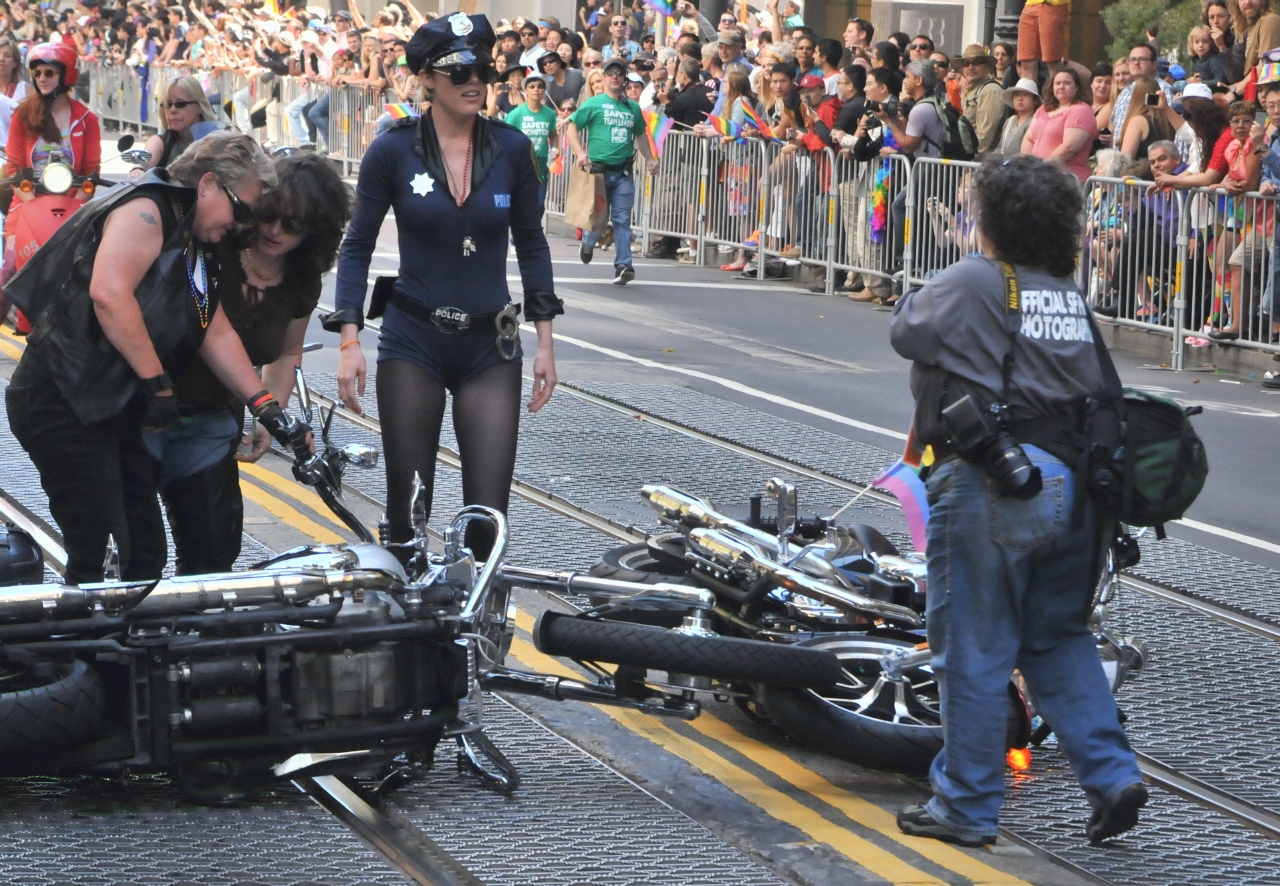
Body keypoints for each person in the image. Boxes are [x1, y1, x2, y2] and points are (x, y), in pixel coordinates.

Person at [890, 153, 1147, 850]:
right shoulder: (1068, 292)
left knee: (974, 648)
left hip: (1000, 484)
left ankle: (965, 807)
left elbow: (905, 326)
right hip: (1083, 490)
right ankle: (1113, 774)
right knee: (1056, 637)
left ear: (993, 220)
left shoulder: (977, 278)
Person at [4, 132, 310, 584]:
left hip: (107, 406)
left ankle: (122, 647)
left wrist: (265, 405)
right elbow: (110, 294)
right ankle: (86, 647)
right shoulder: (147, 210)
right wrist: (158, 383)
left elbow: (212, 327)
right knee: (93, 541)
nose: (242, 226)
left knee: (143, 551)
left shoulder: (192, 241)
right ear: (207, 184)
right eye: (241, 209)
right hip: (60, 399)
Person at [331, 13, 561, 559]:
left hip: (490, 346)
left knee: (487, 521)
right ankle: (412, 633)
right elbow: (356, 244)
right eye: (458, 73)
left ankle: (477, 634)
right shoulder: (392, 150)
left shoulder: (510, 149)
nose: (474, 82)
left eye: (482, 70)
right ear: (427, 79)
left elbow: (532, 244)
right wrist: (348, 340)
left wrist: (547, 342)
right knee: (409, 513)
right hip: (413, 340)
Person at [161, 152, 351, 575]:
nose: (274, 230)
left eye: (293, 225)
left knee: (214, 549)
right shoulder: (217, 242)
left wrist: (268, 418)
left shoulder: (302, 279)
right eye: (269, 215)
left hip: (210, 420)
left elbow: (286, 353)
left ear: (315, 231)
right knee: (139, 548)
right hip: (150, 407)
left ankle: (195, 634)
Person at [567, 55, 658, 285]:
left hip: (624, 173)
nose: (615, 77)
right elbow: (572, 127)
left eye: (619, 74)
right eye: (610, 74)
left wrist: (649, 158)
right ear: (604, 79)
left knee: (622, 219)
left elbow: (640, 135)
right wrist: (580, 152)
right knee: (597, 219)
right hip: (598, 173)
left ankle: (623, 265)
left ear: (625, 80)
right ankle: (588, 242)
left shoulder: (632, 107)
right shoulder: (593, 104)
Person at [1023, 68, 1097, 183]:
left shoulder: (1081, 110)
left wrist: (1041, 168)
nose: (1061, 87)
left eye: (1067, 83)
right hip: (1037, 176)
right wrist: (1028, 165)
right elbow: (1028, 138)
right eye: (1057, 83)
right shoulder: (1043, 108)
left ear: (1077, 87)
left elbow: (1070, 147)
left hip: (1066, 180)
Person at [506, 71, 559, 208]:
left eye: (540, 86)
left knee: (539, 203)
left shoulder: (549, 113)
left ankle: (535, 229)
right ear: (526, 90)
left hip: (541, 163)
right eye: (532, 86)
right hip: (521, 163)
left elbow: (553, 135)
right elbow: (505, 137)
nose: (536, 89)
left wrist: (554, 149)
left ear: (544, 90)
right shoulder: (516, 114)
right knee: (520, 202)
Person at [142, 75, 216, 170]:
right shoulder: (161, 141)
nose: (173, 110)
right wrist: (138, 169)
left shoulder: (216, 140)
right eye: (168, 104)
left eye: (180, 104)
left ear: (199, 106)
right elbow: (144, 162)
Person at [958, 45, 1005, 158]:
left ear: (988, 67)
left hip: (982, 163)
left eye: (977, 62)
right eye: (966, 63)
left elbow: (985, 137)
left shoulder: (990, 90)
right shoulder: (972, 89)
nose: (971, 67)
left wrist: (970, 160)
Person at [1118, 76, 1180, 161]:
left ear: (1135, 96)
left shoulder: (1138, 121)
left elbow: (1126, 158)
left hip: (1142, 171)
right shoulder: (1169, 119)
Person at [1016, 0, 1069, 83]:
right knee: (1026, 63)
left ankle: (1056, 95)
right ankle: (1027, 95)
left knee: (1052, 61)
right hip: (1029, 5)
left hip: (1052, 4)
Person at [999, 77, 1041, 154]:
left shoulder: (1036, 122)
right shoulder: (1010, 120)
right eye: (1017, 95)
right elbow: (1000, 147)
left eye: (1025, 95)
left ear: (1035, 100)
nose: (1020, 99)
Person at [539, 49, 583, 113]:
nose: (548, 65)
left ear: (559, 62)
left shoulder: (578, 75)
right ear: (543, 69)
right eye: (544, 63)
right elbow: (548, 106)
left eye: (551, 61)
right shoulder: (544, 83)